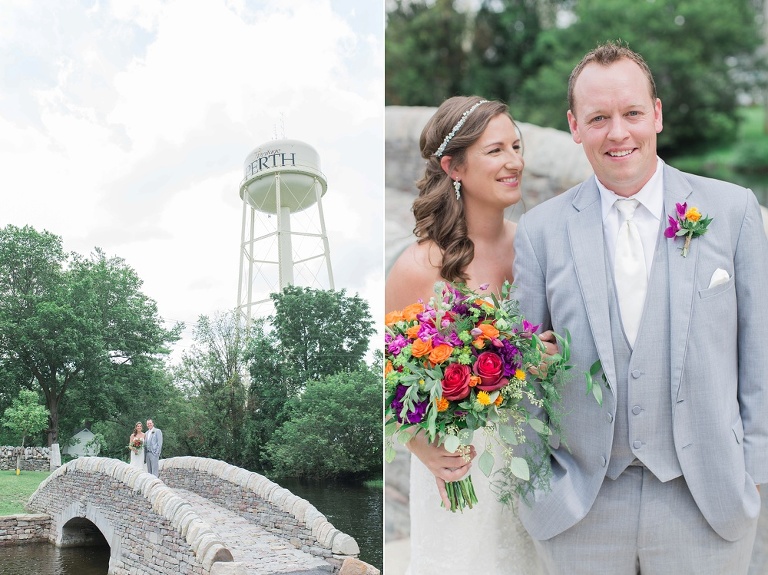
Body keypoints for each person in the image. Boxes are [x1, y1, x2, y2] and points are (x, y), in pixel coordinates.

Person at [513, 40, 768, 574]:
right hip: (579, 511)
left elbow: (759, 354)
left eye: (631, 113)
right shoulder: (541, 230)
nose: (618, 132)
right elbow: (521, 371)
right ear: (574, 126)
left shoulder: (732, 210)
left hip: (707, 505)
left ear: (656, 114)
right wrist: (536, 483)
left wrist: (753, 474)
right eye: (599, 117)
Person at [385, 95, 544, 574]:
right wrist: (421, 446)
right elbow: (388, 380)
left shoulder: (537, 247)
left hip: (535, 466)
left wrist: (543, 357)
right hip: (460, 467)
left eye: (516, 146)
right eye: (496, 151)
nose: (514, 161)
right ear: (454, 166)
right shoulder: (419, 267)